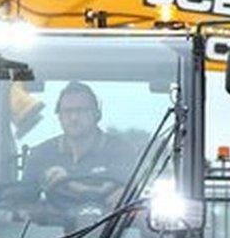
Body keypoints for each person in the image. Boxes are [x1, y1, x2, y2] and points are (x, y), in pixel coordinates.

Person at [16, 83, 140, 222]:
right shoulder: (41, 154)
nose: (74, 118)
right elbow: (21, 203)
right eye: (68, 111)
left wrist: (66, 182)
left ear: (96, 114)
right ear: (59, 116)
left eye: (81, 111)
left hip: (109, 234)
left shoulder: (121, 150)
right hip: (50, 237)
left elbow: (127, 193)